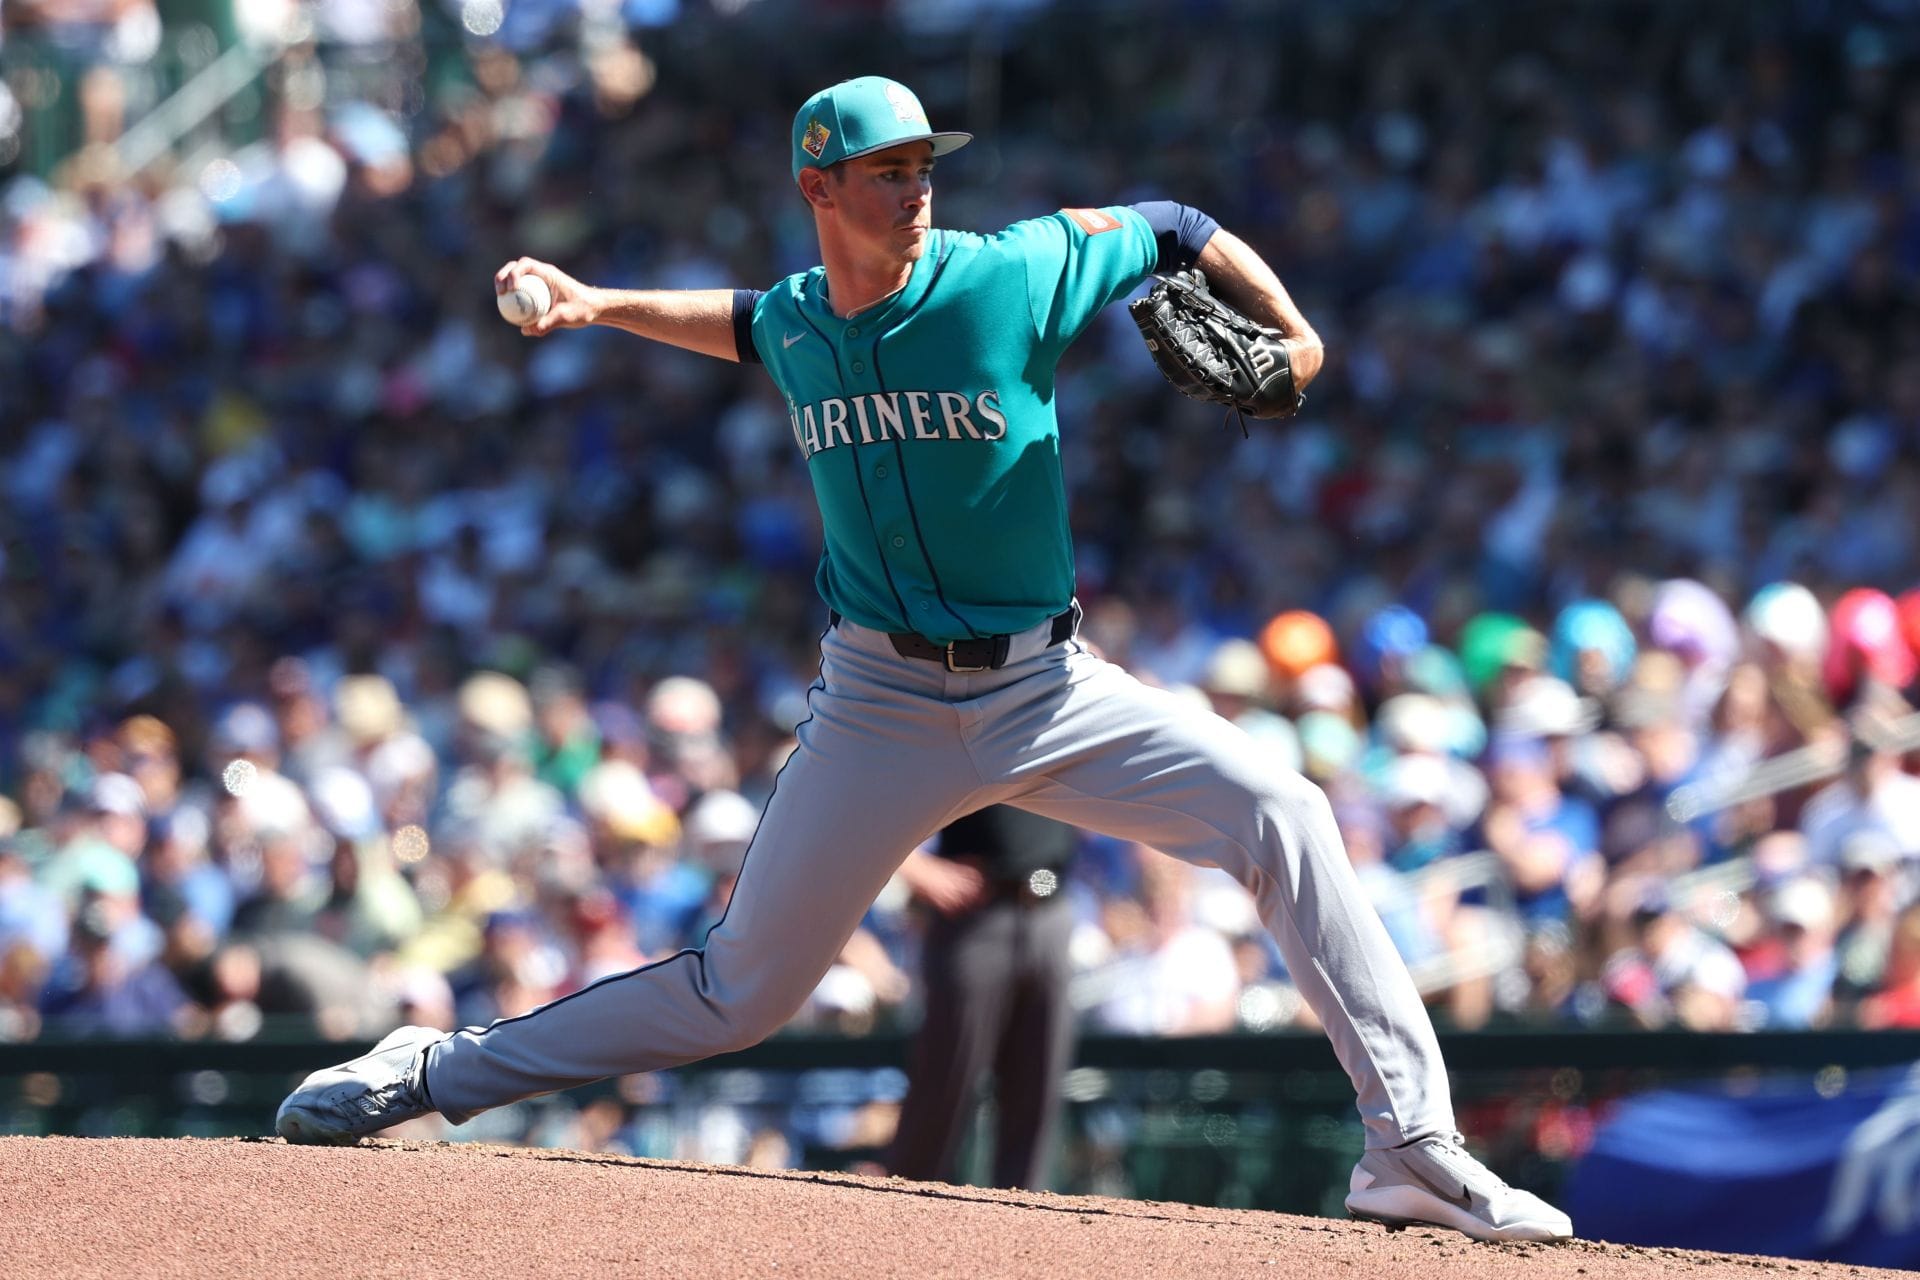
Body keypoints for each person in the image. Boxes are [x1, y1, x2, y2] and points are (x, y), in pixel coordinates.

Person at [275, 75, 1571, 1244]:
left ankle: (1410, 1149)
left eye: (922, 165)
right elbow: (739, 319)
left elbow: (1172, 222)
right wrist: (598, 303)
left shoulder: (1008, 273)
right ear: (819, 187)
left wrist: (1297, 338)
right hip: (878, 704)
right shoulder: (800, 322)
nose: (915, 187)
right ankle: (431, 1075)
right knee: (741, 993)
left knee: (1284, 812)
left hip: (1045, 689)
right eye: (887, 169)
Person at [886, 805, 1077, 1190]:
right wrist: (912, 867)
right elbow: (864, 792)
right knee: (945, 1081)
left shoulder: (1063, 743)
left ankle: (1022, 1225)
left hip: (1050, 908)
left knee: (1038, 1087)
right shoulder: (956, 739)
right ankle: (901, 1209)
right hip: (976, 914)